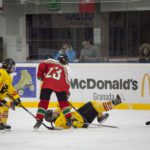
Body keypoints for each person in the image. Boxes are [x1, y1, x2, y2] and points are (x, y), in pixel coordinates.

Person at [34, 54, 72, 130]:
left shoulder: (51, 61)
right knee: (63, 103)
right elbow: (68, 81)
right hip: (59, 85)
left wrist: (40, 75)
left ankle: (39, 119)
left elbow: (42, 64)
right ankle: (68, 119)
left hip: (47, 82)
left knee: (43, 102)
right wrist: (67, 92)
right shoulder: (67, 67)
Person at [44, 95, 122, 129]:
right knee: (96, 108)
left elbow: (66, 106)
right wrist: (72, 123)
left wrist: (65, 100)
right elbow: (68, 126)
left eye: (53, 111)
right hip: (82, 121)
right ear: (52, 118)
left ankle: (100, 118)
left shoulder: (57, 111)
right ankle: (114, 103)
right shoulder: (58, 122)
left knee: (93, 102)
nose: (54, 112)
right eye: (53, 113)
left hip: (78, 113)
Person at [0, 58, 21, 130]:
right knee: (0, 108)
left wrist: (16, 98)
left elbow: (9, 89)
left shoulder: (8, 76)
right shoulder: (1, 72)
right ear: (8, 66)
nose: (13, 69)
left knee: (6, 106)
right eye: (12, 67)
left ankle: (2, 123)